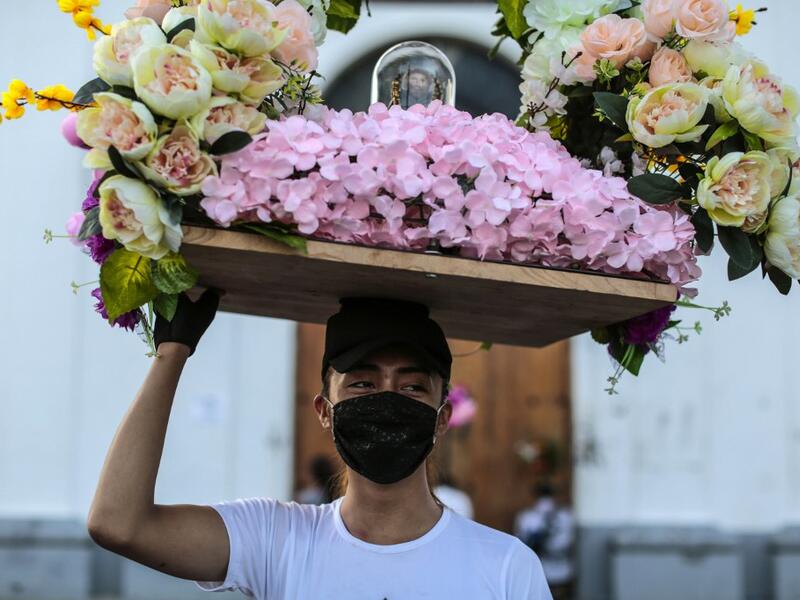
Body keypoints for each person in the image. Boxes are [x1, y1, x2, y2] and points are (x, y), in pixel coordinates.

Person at [86, 291, 552, 599]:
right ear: (324, 412)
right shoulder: (275, 538)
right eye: (362, 384)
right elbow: (118, 524)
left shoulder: (508, 567)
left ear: (442, 417)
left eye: (411, 388)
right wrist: (173, 352)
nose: (387, 399)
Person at [514, 483, 575, 600]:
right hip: (564, 571)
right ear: (554, 495)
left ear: (535, 496)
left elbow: (521, 545)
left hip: (538, 572)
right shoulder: (567, 515)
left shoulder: (526, 517)